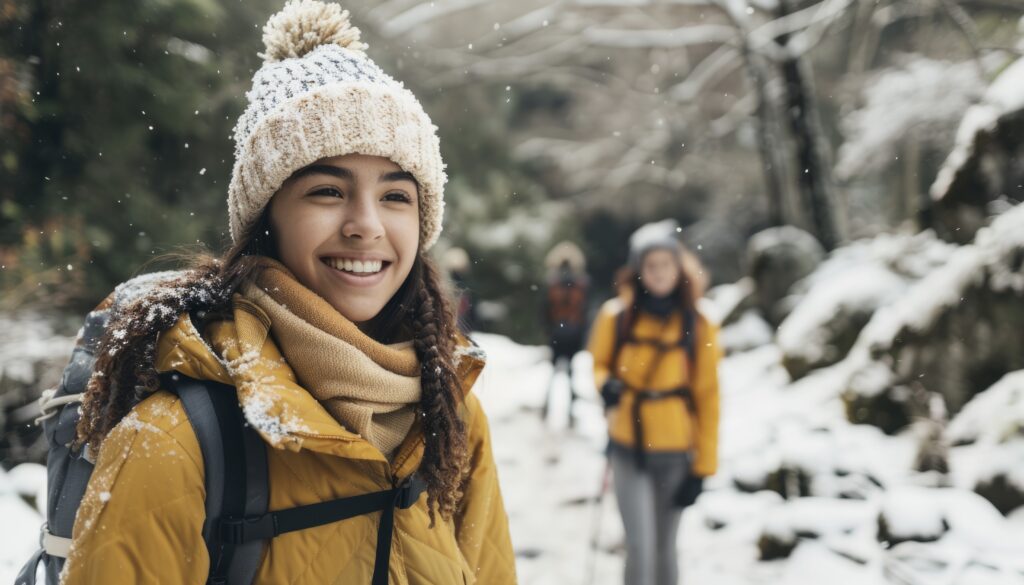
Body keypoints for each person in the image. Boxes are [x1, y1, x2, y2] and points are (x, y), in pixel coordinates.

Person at [61, 2, 515, 583]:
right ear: (267, 219)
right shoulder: (175, 441)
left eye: (396, 196)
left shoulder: (449, 417)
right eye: (328, 190)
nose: (366, 224)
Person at [588, 219, 720, 585]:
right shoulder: (617, 318)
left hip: (678, 451)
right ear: (638, 271)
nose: (659, 273)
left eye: (667, 264)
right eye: (651, 265)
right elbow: (599, 363)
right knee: (641, 546)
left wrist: (704, 468)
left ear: (680, 268)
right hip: (629, 447)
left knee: (665, 548)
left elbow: (709, 398)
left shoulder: (699, 324)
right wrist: (606, 385)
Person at [541, 241, 590, 426]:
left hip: (556, 334)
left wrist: (548, 330)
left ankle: (546, 408)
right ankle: (569, 414)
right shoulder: (582, 283)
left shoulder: (552, 283)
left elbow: (544, 310)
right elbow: (585, 312)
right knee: (570, 375)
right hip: (574, 332)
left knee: (553, 374)